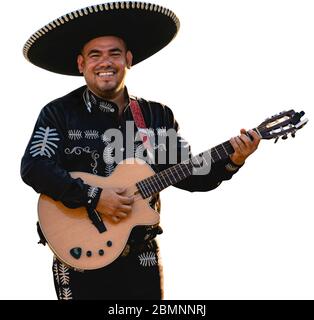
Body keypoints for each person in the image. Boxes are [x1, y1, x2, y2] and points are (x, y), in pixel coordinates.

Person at [21, 1, 260, 300]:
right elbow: (34, 167)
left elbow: (191, 176)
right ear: (81, 64)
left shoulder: (157, 116)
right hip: (80, 257)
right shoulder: (58, 113)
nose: (105, 62)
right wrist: (94, 197)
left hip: (142, 257)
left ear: (129, 59)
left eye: (115, 54)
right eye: (95, 55)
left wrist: (234, 159)